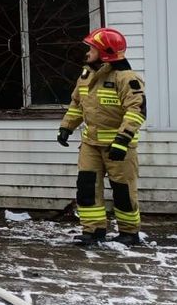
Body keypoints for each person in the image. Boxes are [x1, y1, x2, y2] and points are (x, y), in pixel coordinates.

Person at [58, 27, 146, 247]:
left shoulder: (127, 78)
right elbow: (77, 104)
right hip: (90, 144)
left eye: (91, 48)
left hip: (119, 147)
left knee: (123, 190)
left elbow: (137, 111)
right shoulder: (86, 75)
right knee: (87, 187)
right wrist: (66, 127)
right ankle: (93, 230)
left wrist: (122, 140)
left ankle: (129, 233)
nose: (87, 52)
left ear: (105, 52)